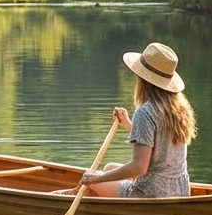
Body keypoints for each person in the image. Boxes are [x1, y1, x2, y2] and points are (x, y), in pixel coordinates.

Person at [80, 41, 196, 198]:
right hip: (180, 190)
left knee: (96, 178)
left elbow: (139, 168)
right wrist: (129, 124)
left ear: (143, 79)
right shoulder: (179, 109)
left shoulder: (145, 112)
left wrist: (97, 178)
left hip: (150, 193)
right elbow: (159, 140)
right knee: (109, 167)